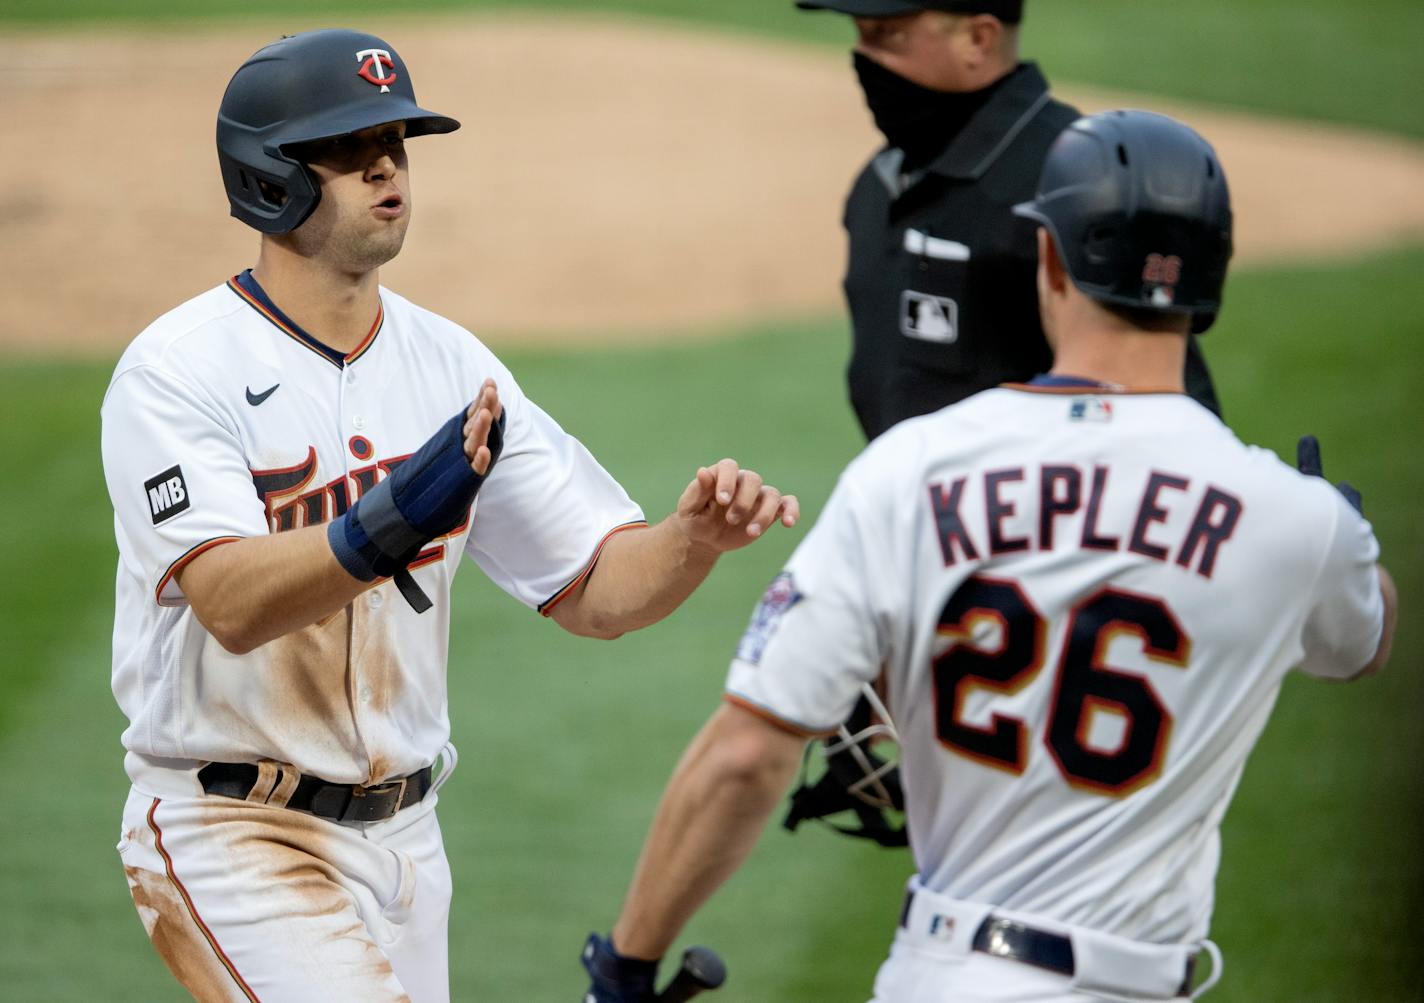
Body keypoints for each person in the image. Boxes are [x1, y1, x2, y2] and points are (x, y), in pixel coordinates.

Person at [579, 110, 1396, 1003]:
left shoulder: (913, 467)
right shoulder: (1294, 522)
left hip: (950, 974)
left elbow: (747, 754)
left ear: (1051, 262)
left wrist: (627, 963)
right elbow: (1363, 639)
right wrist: (1345, 537)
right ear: (1213, 276)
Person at [100, 29, 799, 1003]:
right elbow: (228, 598)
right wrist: (387, 521)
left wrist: (691, 539)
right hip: (236, 830)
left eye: (395, 140)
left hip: (408, 843)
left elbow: (595, 591)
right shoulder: (178, 370)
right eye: (348, 147)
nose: (386, 164)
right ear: (268, 176)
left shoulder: (451, 367)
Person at [794, 0, 1220, 440]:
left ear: (978, 39)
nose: (863, 57)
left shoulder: (1082, 191)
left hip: (1033, 504)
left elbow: (1175, 417)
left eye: (886, 34)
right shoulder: (880, 183)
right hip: (907, 501)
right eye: (859, 32)